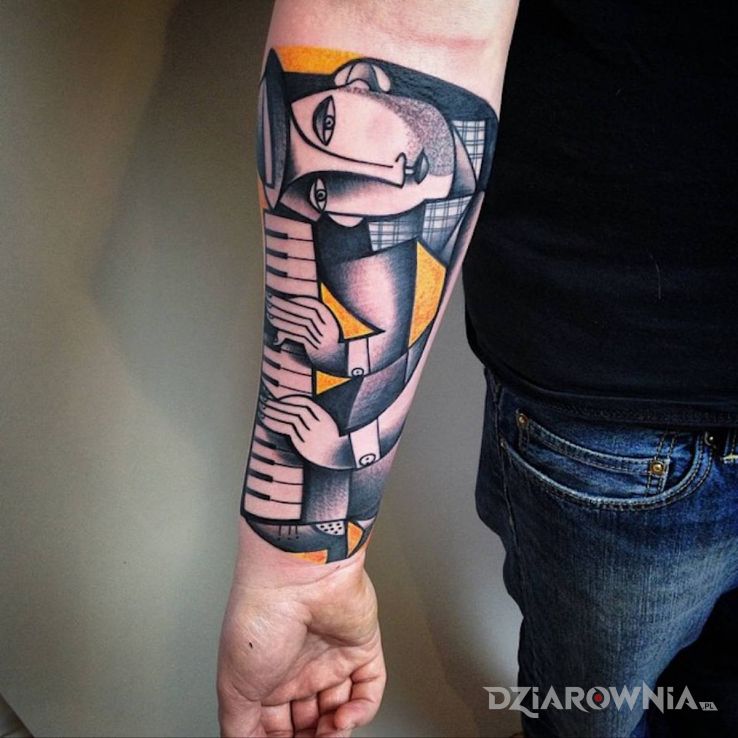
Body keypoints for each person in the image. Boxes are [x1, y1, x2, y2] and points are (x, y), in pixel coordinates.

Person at [217, 1, 738, 737]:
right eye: (323, 192)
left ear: (363, 83)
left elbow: (397, 24)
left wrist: (308, 553)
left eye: (325, 126)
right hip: (620, 430)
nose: (339, 206)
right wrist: (303, 571)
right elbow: (397, 26)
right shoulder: (385, 249)